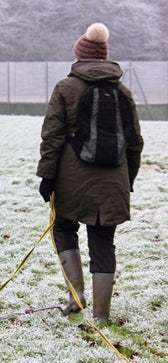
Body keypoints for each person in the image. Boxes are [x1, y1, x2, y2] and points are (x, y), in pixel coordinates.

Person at [36, 23, 143, 322]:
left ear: (79, 56)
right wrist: (127, 180)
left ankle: (76, 295)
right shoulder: (123, 91)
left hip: (72, 180)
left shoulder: (65, 88)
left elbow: (52, 138)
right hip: (114, 181)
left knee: (63, 227)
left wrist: (47, 178)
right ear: (106, 58)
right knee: (103, 239)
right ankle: (101, 315)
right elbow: (135, 143)